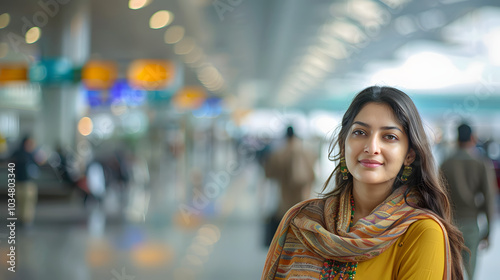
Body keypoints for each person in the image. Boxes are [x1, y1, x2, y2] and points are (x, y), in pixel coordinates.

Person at [262, 86, 466, 280]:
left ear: (409, 155)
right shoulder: (303, 223)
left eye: (389, 136)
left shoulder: (422, 233)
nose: (372, 147)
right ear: (343, 145)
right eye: (360, 132)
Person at [440, 123, 497, 280]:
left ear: (457, 139)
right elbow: (489, 198)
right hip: (472, 225)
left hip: (450, 223)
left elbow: (438, 196)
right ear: (472, 138)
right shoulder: (480, 163)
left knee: (451, 269)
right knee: (470, 271)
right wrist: (489, 231)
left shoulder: (446, 163)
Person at [263, 126, 316, 246]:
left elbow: (269, 174)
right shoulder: (308, 152)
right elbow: (313, 175)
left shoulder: (279, 153)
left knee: (285, 224)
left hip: (284, 198)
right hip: (303, 198)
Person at [11, 135, 39, 226]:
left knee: (28, 202)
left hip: (29, 182)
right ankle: (22, 218)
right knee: (21, 202)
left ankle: (27, 219)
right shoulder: (18, 153)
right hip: (19, 181)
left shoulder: (32, 154)